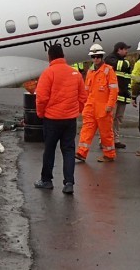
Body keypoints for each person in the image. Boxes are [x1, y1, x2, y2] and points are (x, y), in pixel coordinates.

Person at [33, 44, 87, 194]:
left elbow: (41, 98)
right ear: (63, 56)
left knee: (49, 150)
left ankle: (46, 180)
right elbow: (83, 97)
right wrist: (77, 111)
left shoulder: (48, 73)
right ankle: (69, 183)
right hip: (70, 119)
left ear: (49, 56)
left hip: (52, 119)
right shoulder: (74, 73)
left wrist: (40, 114)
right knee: (69, 150)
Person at [76, 43, 119, 163]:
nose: (96, 59)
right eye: (94, 57)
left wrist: (110, 105)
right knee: (86, 130)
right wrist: (84, 105)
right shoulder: (90, 71)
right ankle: (81, 153)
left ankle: (109, 154)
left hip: (103, 107)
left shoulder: (108, 70)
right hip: (91, 107)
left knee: (106, 133)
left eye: (98, 56)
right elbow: (87, 91)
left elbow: (114, 90)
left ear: (102, 57)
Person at [103, 41, 132, 149]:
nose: (127, 51)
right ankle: (105, 140)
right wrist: (127, 64)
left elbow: (127, 78)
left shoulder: (122, 61)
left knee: (118, 119)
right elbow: (120, 66)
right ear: (119, 49)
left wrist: (129, 92)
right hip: (113, 96)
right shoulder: (109, 59)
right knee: (110, 118)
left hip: (123, 95)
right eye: (125, 49)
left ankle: (115, 139)